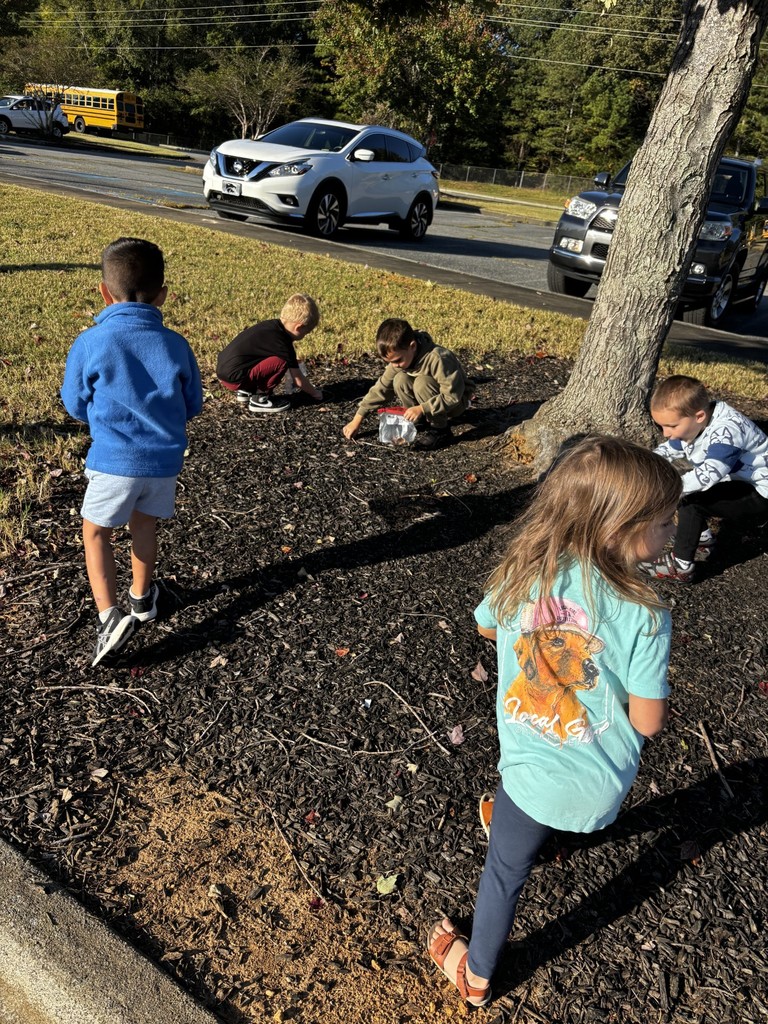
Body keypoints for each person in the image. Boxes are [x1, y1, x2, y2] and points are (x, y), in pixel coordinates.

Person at [427, 435, 681, 1008]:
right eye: (665, 521)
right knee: (532, 807)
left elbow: (488, 627)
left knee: (503, 873)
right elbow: (647, 722)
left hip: (531, 768)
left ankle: (476, 975)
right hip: (599, 784)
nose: (675, 528)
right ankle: (541, 833)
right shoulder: (645, 613)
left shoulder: (525, 569)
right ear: (616, 528)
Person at [61, 237, 203, 667]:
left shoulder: (91, 342)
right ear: (163, 294)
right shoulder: (176, 345)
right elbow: (192, 404)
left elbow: (74, 403)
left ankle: (108, 617)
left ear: (104, 291)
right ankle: (142, 599)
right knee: (145, 527)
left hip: (114, 462)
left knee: (96, 533)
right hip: (163, 463)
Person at [640, 375, 768, 582]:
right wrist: (646, 464)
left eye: (671, 426)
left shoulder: (727, 432)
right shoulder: (696, 422)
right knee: (688, 493)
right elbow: (671, 449)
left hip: (761, 491)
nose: (665, 433)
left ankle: (681, 566)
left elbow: (709, 474)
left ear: (699, 416)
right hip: (741, 481)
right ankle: (700, 538)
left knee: (692, 503)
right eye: (661, 426)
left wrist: (669, 490)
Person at [342, 318, 468, 450]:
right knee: (400, 378)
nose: (394, 365)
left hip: (456, 402)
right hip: (431, 401)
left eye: (397, 361)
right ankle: (418, 420)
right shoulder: (402, 356)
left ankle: (440, 430)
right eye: (390, 362)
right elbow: (381, 388)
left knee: (421, 382)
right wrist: (357, 419)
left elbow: (452, 396)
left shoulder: (438, 358)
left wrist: (421, 408)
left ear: (412, 346)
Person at [216, 294, 322, 414]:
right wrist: (315, 393)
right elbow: (298, 380)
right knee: (281, 362)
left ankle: (247, 390)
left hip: (224, 371)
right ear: (299, 327)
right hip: (235, 379)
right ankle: (260, 399)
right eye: (306, 333)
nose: (304, 336)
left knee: (262, 357)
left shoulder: (270, 326)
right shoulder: (283, 345)